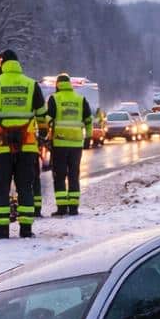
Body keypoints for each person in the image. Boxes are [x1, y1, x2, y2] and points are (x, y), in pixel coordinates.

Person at [0, 48, 46, 239]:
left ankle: (3, 229)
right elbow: (42, 114)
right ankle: (26, 229)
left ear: (1, 63)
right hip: (27, 145)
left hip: (1, 145)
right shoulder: (31, 85)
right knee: (25, 185)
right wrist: (43, 134)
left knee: (1, 186)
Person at [46, 73, 92, 217]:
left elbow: (48, 119)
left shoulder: (55, 99)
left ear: (58, 84)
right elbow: (89, 119)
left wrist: (45, 135)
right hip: (76, 144)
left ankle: (61, 208)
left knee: (59, 176)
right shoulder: (80, 99)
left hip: (59, 143)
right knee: (74, 175)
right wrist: (88, 137)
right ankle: (73, 208)